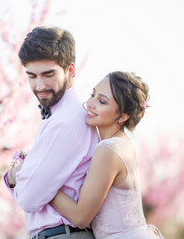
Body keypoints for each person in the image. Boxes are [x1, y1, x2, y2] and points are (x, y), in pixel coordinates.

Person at [4, 26, 99, 239]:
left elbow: (29, 199)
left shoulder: (66, 121)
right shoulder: (64, 116)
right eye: (32, 76)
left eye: (49, 75)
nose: (40, 85)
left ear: (71, 70)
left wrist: (15, 177)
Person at [50, 71, 164, 238]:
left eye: (102, 101)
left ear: (123, 116)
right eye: (92, 95)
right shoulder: (122, 144)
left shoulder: (109, 150)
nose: (90, 103)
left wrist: (43, 184)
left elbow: (80, 217)